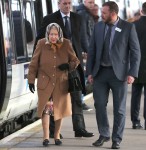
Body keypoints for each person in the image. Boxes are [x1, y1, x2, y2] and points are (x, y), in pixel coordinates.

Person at [34, 0, 94, 138]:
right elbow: (39, 41)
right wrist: (37, 64)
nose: (67, 6)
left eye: (69, 3)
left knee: (77, 97)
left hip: (74, 65)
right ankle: (54, 131)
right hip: (56, 66)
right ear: (58, 4)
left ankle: (79, 129)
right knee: (55, 100)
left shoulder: (78, 18)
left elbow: (82, 40)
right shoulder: (49, 19)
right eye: (64, 3)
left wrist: (89, 54)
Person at [86, 1, 141, 149]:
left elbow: (136, 52)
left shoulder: (128, 27)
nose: (100, 15)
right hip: (100, 73)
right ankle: (104, 134)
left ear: (113, 13)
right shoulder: (98, 27)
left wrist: (132, 73)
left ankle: (116, 139)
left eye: (104, 13)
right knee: (99, 105)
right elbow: (92, 51)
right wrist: (89, 72)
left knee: (119, 109)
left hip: (120, 75)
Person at [27, 23, 80, 146]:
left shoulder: (66, 43)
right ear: (48, 34)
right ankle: (45, 137)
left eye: (55, 34)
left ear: (59, 34)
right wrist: (30, 80)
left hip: (61, 83)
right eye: (51, 34)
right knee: (45, 110)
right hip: (45, 83)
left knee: (58, 110)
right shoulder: (41, 43)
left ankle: (56, 136)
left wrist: (68, 66)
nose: (53, 37)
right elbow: (33, 63)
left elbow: (75, 61)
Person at [76, 0, 96, 110]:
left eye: (93, 2)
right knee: (83, 76)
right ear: (84, 2)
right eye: (90, 2)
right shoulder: (83, 14)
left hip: (85, 49)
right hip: (85, 51)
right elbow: (83, 34)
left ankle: (80, 100)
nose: (92, 4)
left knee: (84, 75)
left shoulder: (86, 13)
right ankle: (80, 101)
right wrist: (88, 51)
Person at [131, 2, 146, 130]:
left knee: (135, 94)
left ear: (141, 11)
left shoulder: (133, 26)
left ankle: (135, 121)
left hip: (136, 65)